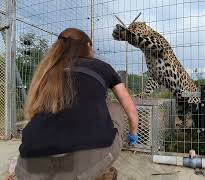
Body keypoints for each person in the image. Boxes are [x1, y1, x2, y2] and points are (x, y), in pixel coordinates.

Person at [13, 28, 139, 180]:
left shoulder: (47, 71)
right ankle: (95, 171)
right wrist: (133, 135)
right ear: (87, 46)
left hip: (28, 168)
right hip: (83, 163)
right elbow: (130, 110)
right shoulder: (102, 67)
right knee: (115, 106)